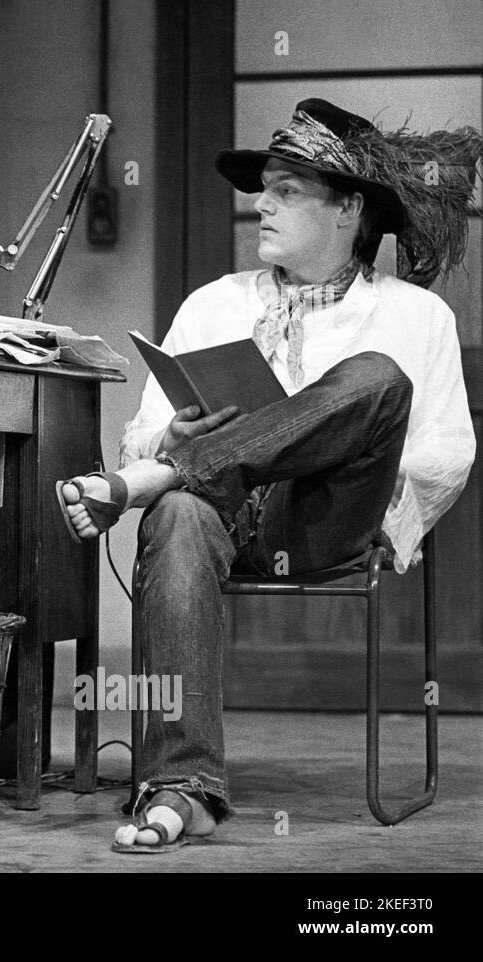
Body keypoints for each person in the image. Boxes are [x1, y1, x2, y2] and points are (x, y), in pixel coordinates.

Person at [56, 98, 479, 852]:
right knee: (180, 512)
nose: (262, 204)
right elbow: (143, 427)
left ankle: (156, 482)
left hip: (328, 518)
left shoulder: (415, 316)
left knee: (377, 379)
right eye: (264, 188)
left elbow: (447, 450)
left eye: (287, 190)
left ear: (349, 208)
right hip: (217, 511)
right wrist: (170, 437)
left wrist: (358, 479)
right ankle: (185, 790)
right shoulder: (214, 302)